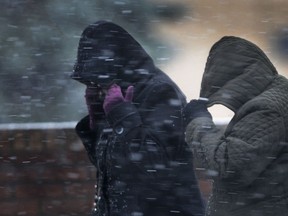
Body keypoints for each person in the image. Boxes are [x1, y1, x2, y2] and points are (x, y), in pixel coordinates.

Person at [71, 20, 205, 216]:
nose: (95, 86)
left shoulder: (160, 91)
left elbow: (155, 166)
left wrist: (121, 113)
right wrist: (97, 119)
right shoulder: (114, 94)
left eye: (97, 79)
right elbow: (110, 167)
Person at [183, 36, 288, 216]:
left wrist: (199, 120)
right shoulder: (278, 95)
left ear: (238, 82)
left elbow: (228, 165)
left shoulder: (265, 109)